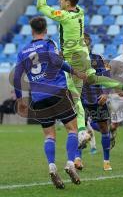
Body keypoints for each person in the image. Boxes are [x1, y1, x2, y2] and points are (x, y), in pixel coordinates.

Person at [36, 0, 123, 149]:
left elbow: (41, 6)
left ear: (67, 3)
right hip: (84, 54)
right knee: (95, 78)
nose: (59, 1)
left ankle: (82, 131)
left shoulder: (64, 16)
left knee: (76, 98)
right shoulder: (79, 11)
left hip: (73, 59)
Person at [13, 16, 88, 189]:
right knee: (72, 129)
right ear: (45, 30)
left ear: (31, 31)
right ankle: (70, 164)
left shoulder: (23, 51)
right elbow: (57, 61)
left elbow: (17, 78)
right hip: (58, 92)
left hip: (38, 98)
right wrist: (75, 72)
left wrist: (19, 99)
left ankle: (52, 166)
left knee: (49, 135)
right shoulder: (49, 44)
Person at [74, 33, 112, 171]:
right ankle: (78, 159)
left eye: (86, 40)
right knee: (79, 130)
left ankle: (106, 161)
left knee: (104, 129)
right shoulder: (74, 60)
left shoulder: (98, 58)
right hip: (81, 100)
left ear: (89, 42)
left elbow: (107, 77)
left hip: (97, 99)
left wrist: (106, 94)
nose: (84, 42)